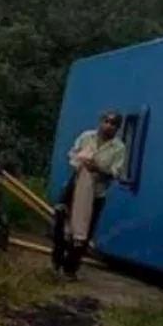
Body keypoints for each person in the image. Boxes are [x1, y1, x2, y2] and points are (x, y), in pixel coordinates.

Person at [51, 109, 128, 280]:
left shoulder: (119, 148)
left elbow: (116, 173)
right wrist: (80, 160)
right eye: (106, 121)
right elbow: (72, 154)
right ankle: (57, 262)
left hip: (96, 194)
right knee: (61, 221)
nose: (108, 126)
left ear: (117, 128)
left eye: (113, 124)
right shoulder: (87, 136)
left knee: (83, 231)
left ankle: (70, 269)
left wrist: (98, 168)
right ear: (100, 121)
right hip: (74, 187)